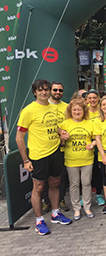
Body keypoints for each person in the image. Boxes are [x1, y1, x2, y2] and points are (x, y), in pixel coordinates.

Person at [16, 79, 72, 235]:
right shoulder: (28, 110)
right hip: (38, 155)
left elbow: (55, 127)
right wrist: (26, 160)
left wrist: (61, 132)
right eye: (40, 90)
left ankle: (55, 213)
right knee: (39, 187)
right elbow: (19, 138)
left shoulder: (54, 109)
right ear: (35, 92)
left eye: (46, 89)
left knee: (55, 183)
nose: (44, 92)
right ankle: (39, 220)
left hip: (55, 152)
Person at [59, 98, 96, 219]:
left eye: (79, 109)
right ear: (70, 111)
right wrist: (63, 138)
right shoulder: (65, 124)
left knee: (86, 183)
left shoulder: (90, 123)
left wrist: (92, 144)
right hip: (71, 159)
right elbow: (60, 143)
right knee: (74, 185)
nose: (77, 112)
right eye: (74, 110)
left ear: (84, 110)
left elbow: (96, 139)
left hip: (87, 159)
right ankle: (76, 209)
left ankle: (87, 207)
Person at [43, 81, 70, 213]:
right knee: (46, 176)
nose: (57, 92)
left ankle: (61, 199)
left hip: (64, 147)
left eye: (60, 90)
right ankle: (47, 202)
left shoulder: (67, 107)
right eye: (55, 90)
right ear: (50, 91)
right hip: (46, 147)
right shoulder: (43, 107)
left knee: (61, 176)